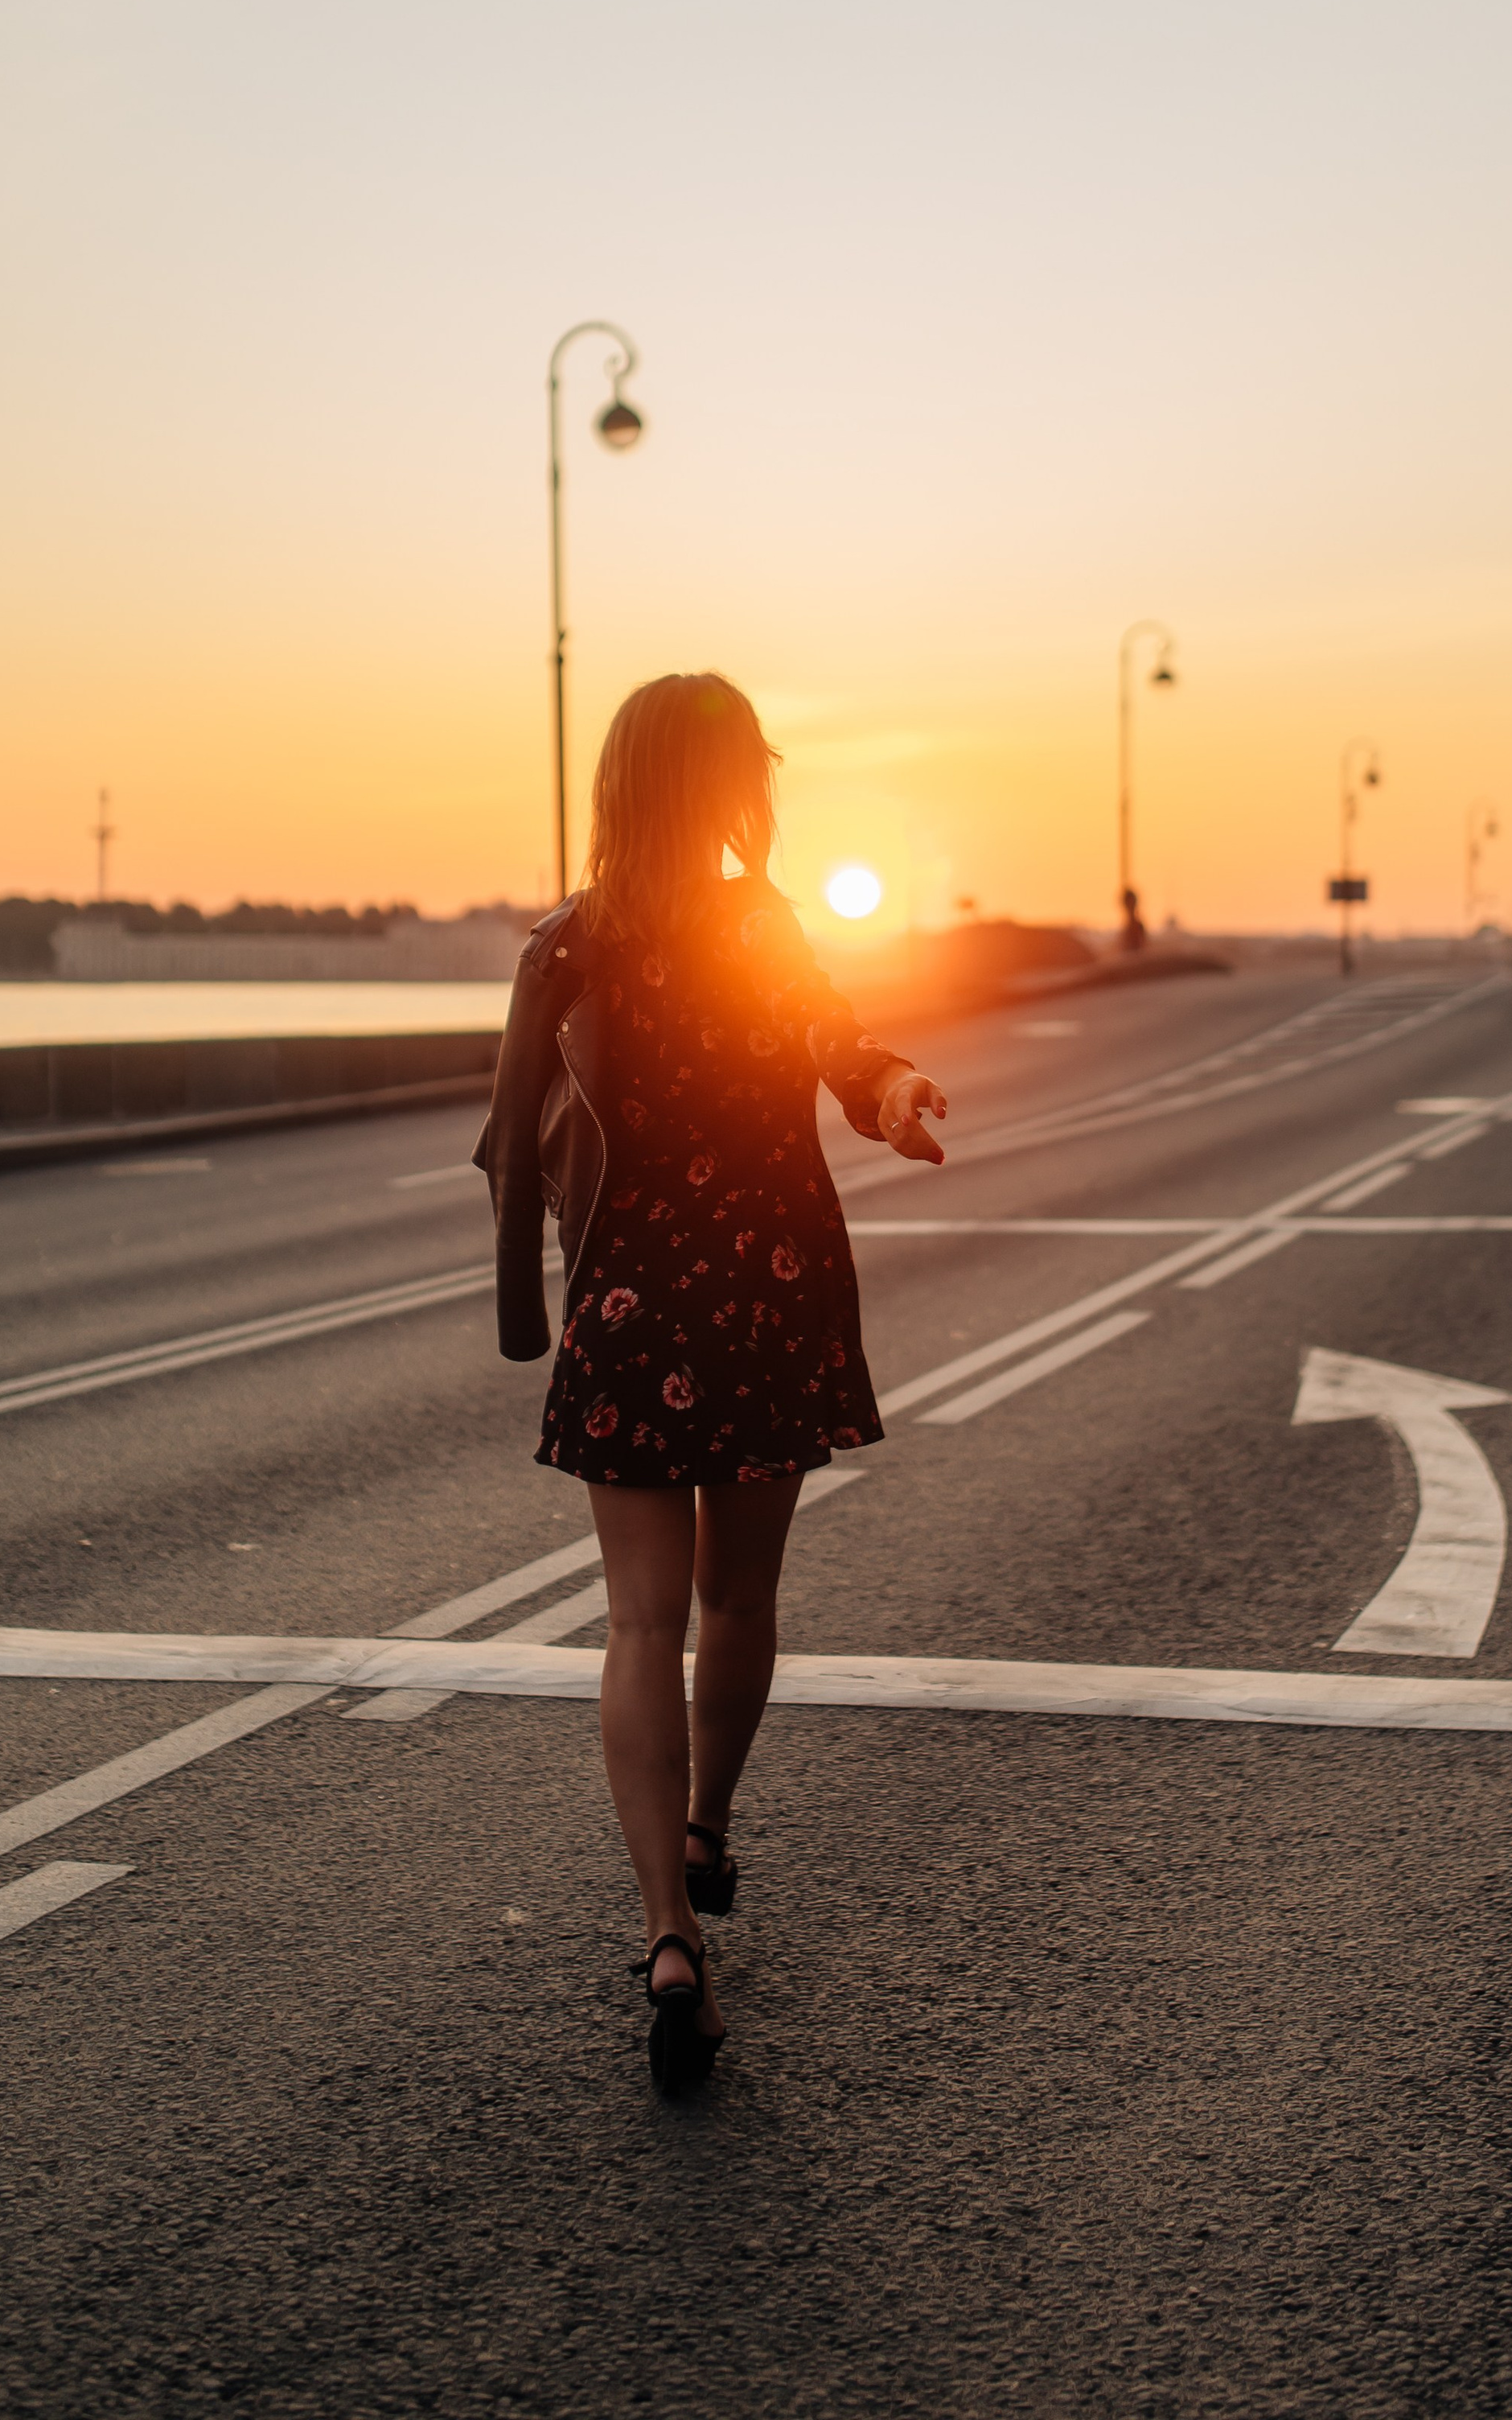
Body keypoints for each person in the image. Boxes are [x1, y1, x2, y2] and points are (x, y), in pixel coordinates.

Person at [475, 673, 947, 2089]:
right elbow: (837, 1044)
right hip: (766, 1295)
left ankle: (669, 1935)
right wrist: (893, 1092)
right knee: (738, 1600)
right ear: (733, 786)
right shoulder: (759, 924)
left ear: (618, 788)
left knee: (638, 1622)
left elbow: (507, 1144)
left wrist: (528, 1315)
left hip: (628, 1305)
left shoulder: (562, 947)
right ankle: (708, 1832)